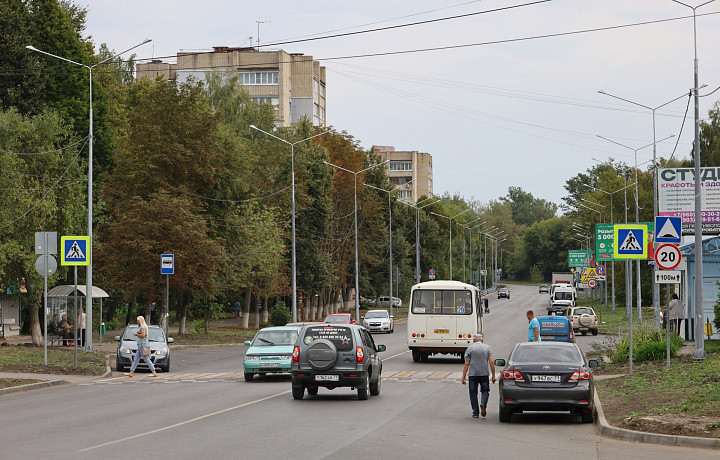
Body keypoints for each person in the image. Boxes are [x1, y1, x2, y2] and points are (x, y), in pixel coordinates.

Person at [461, 333, 496, 418]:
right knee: (485, 391)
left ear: (473, 340)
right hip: (484, 374)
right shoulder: (487, 348)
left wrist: (463, 376)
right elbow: (491, 362)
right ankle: (483, 403)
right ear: (482, 340)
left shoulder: (469, 349)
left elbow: (466, 364)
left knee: (473, 393)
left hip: (473, 375)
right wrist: (493, 375)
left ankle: (475, 412)